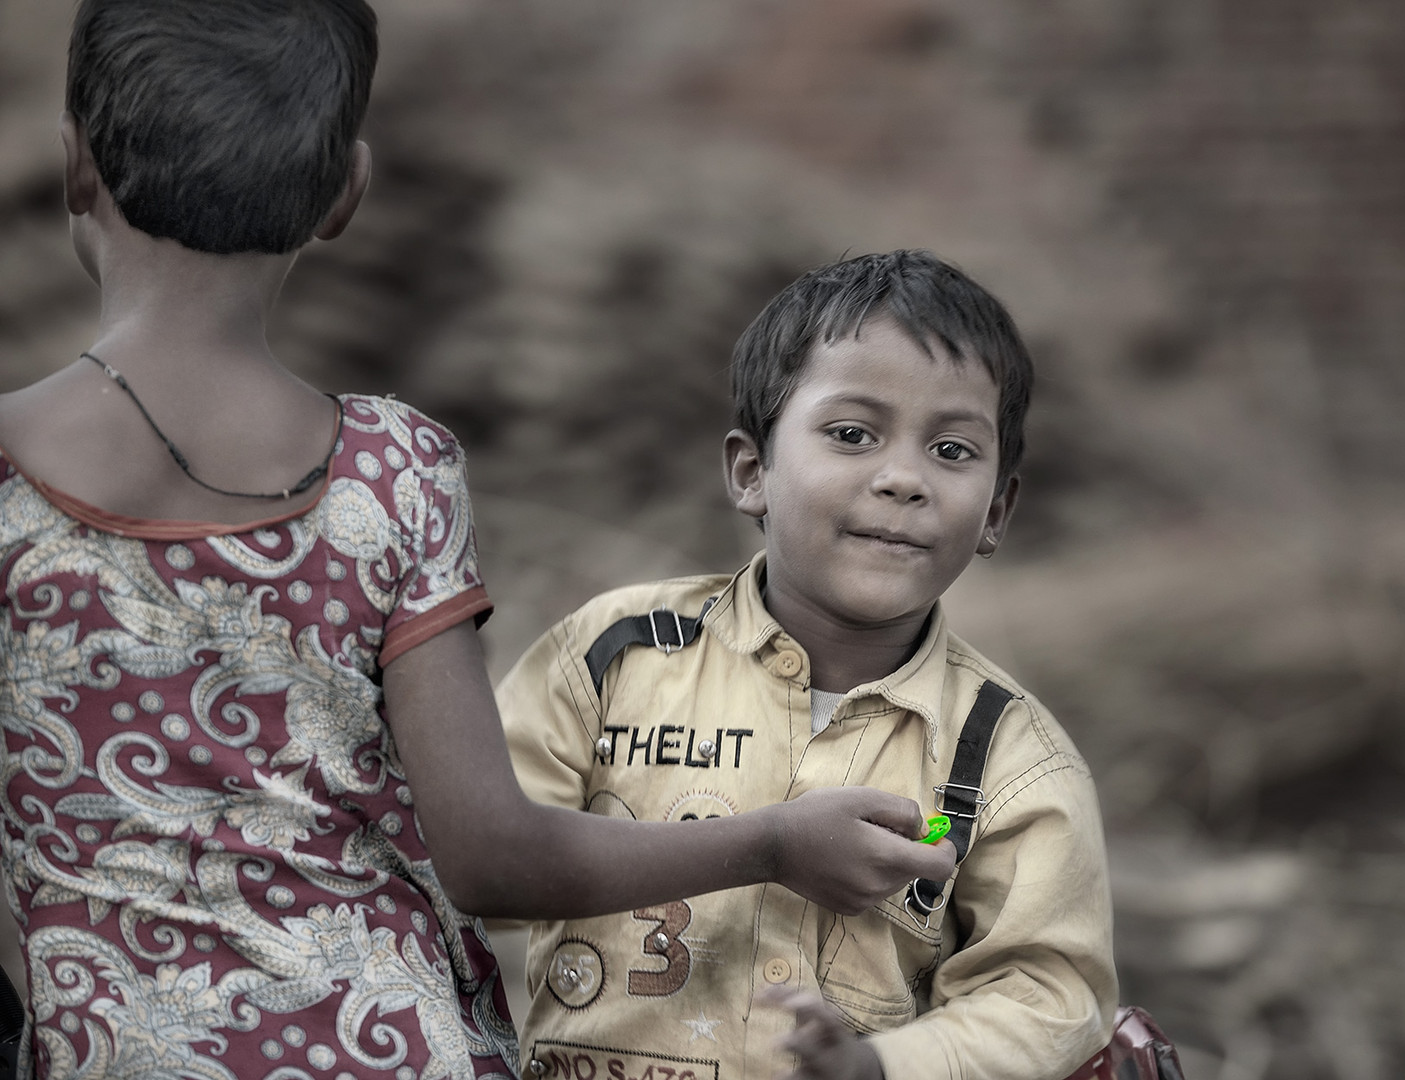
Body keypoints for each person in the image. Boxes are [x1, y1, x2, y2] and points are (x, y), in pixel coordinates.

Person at [0, 6, 954, 1078]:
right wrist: (774, 841)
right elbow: (493, 857)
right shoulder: (389, 470)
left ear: (75, 164)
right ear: (343, 194)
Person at [497, 250, 1119, 1080]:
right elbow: (489, 857)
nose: (903, 479)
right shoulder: (610, 657)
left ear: (998, 509)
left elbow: (1049, 993)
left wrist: (884, 1066)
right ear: (752, 471)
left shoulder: (1006, 758)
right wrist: (762, 845)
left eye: (953, 450)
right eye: (852, 434)